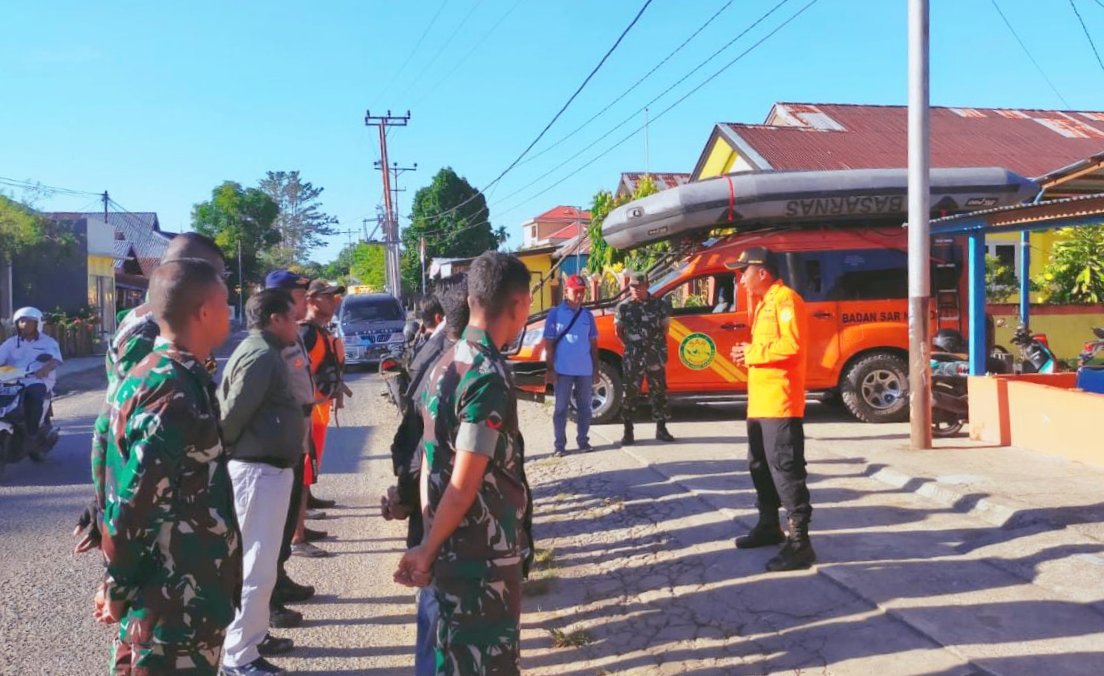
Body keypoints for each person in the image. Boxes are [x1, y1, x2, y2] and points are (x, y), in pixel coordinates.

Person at [97, 259, 241, 674]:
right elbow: (132, 505)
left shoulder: (172, 376)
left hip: (184, 599)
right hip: (171, 606)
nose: (230, 313)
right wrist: (118, 585)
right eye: (226, 303)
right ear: (204, 312)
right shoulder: (170, 389)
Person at [395, 252, 534, 676]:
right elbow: (463, 484)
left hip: (449, 543)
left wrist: (426, 539)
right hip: (479, 559)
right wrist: (428, 549)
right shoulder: (486, 375)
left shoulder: (446, 360)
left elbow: (429, 460)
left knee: (443, 656)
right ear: (520, 304)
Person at [75, 232, 226, 556]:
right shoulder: (150, 327)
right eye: (215, 275)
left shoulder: (153, 317)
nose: (218, 285)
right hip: (145, 495)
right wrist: (105, 501)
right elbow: (123, 416)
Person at [381, 279, 469, 675]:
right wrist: (402, 492)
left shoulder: (442, 354)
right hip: (436, 501)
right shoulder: (451, 364)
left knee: (437, 611)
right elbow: (417, 440)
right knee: (437, 612)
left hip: (427, 495)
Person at [219, 289, 306, 676]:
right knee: (255, 566)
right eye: (291, 316)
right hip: (257, 472)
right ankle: (239, 656)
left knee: (262, 564)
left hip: (266, 471)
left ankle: (251, 639)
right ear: (274, 319)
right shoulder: (259, 355)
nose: (296, 323)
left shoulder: (265, 350)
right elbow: (232, 415)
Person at [728, 246, 816, 572]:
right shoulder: (764, 303)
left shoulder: (786, 300)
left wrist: (752, 352)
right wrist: (750, 354)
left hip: (781, 404)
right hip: (760, 404)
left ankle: (800, 543)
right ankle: (769, 526)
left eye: (743, 273)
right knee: (759, 468)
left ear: (762, 272)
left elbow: (792, 346)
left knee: (786, 471)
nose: (740, 280)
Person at [262, 269, 319, 630]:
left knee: (284, 523)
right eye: (299, 293)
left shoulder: (292, 333)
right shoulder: (271, 340)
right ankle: (267, 603)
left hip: (296, 437)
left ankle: (278, 579)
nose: (305, 298)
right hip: (278, 445)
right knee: (273, 527)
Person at [299, 279, 347, 531]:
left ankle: (307, 501)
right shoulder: (306, 332)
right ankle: (298, 532)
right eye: (327, 296)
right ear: (311, 299)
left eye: (334, 297)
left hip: (321, 406)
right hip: (309, 409)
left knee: (312, 461)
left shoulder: (321, 330)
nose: (333, 301)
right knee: (306, 462)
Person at [615, 270, 675, 445]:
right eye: (632, 287)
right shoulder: (624, 307)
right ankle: (628, 431)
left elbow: (665, 328)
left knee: (659, 392)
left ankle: (661, 428)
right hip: (633, 356)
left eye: (639, 287)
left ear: (647, 286)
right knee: (631, 393)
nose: (635, 290)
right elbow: (619, 331)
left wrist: (654, 344)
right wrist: (631, 345)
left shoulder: (659, 305)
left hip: (654, 355)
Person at [543, 274, 598, 457]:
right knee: (560, 409)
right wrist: (550, 369)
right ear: (566, 291)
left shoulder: (588, 316)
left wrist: (596, 370)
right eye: (576, 291)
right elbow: (548, 344)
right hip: (562, 370)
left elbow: (593, 344)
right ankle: (559, 445)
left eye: (583, 292)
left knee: (585, 408)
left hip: (584, 370)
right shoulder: (555, 314)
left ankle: (583, 441)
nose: (580, 295)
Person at [0, 306, 62, 443]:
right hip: (12, 379)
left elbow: (56, 359)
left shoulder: (48, 342)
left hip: (37, 380)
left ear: (37, 323)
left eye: (29, 321)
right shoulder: (10, 343)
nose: (24, 325)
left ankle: (32, 432)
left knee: (32, 395)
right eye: (21, 321)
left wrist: (45, 369)